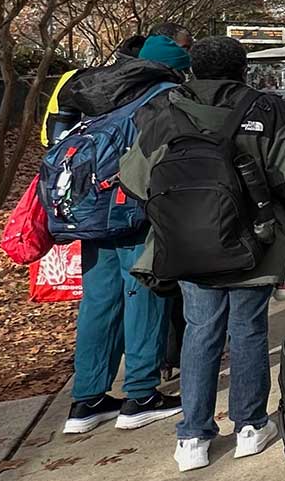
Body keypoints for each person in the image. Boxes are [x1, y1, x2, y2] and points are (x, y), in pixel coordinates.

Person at [120, 36, 285, 472]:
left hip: (188, 245)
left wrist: (180, 212)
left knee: (200, 330)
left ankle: (192, 438)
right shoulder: (267, 110)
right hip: (258, 241)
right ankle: (251, 426)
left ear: (192, 70)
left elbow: (136, 179)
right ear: (244, 70)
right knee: (248, 329)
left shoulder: (164, 111)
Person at [54, 42, 187, 434]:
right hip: (134, 210)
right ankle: (141, 394)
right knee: (143, 292)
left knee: (98, 301)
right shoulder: (163, 94)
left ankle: (87, 399)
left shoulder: (101, 89)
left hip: (91, 209)